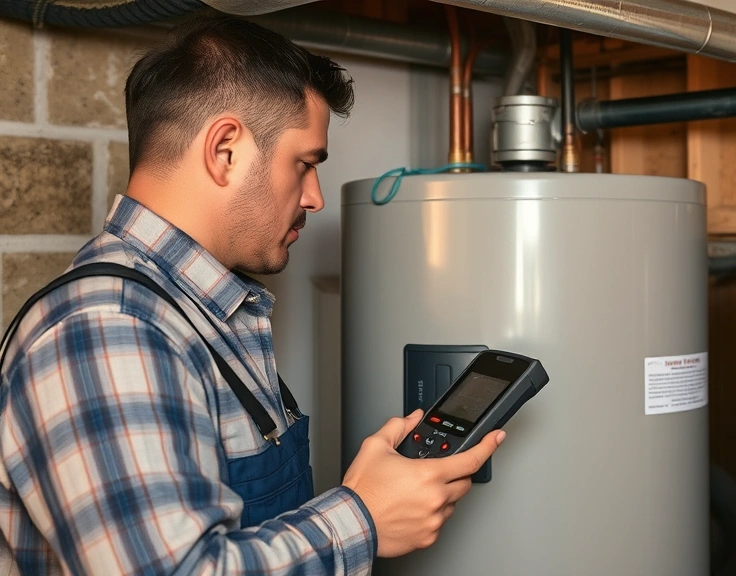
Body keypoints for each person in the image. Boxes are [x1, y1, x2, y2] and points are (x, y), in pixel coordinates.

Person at [0, 12, 503, 575]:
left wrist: (376, 495)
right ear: (225, 150)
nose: (314, 197)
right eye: (305, 164)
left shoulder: (202, 313)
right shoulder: (108, 329)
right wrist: (362, 517)